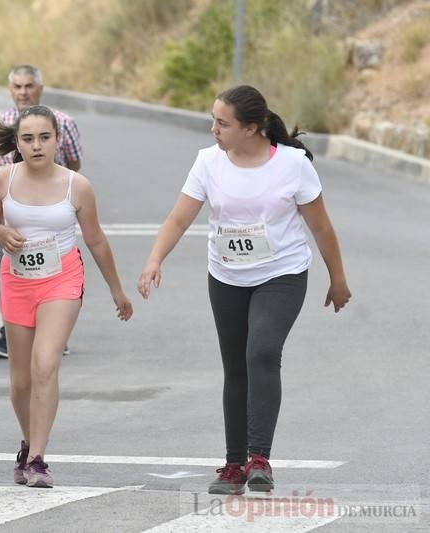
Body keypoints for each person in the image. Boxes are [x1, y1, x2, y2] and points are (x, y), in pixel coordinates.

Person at [137, 85, 351, 495]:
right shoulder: (207, 162)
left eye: (223, 123)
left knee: (263, 351)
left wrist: (337, 279)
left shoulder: (292, 165)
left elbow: (320, 225)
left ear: (252, 128)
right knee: (236, 366)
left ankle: (259, 459)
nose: (214, 130)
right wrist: (153, 260)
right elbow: (179, 219)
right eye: (213, 121)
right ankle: (234, 463)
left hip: (282, 273)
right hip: (227, 275)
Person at [0, 105, 132, 488]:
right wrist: (0, 232)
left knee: (45, 364)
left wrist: (117, 290)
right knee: (19, 382)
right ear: (16, 143)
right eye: (28, 139)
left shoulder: (76, 185)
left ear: (58, 140)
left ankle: (37, 460)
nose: (37, 146)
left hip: (62, 279)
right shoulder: (2, 180)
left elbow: (95, 238)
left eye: (44, 138)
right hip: (16, 281)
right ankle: (28, 439)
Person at [0, 64, 83, 359]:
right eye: (17, 86)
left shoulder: (64, 122)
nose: (23, 92)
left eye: (28, 86)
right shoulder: (3, 121)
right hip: (14, 214)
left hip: (52, 217)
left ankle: (52, 329)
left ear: (39, 89)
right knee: (13, 268)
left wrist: (52, 186)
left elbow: (75, 162)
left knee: (52, 275)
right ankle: (10, 334)